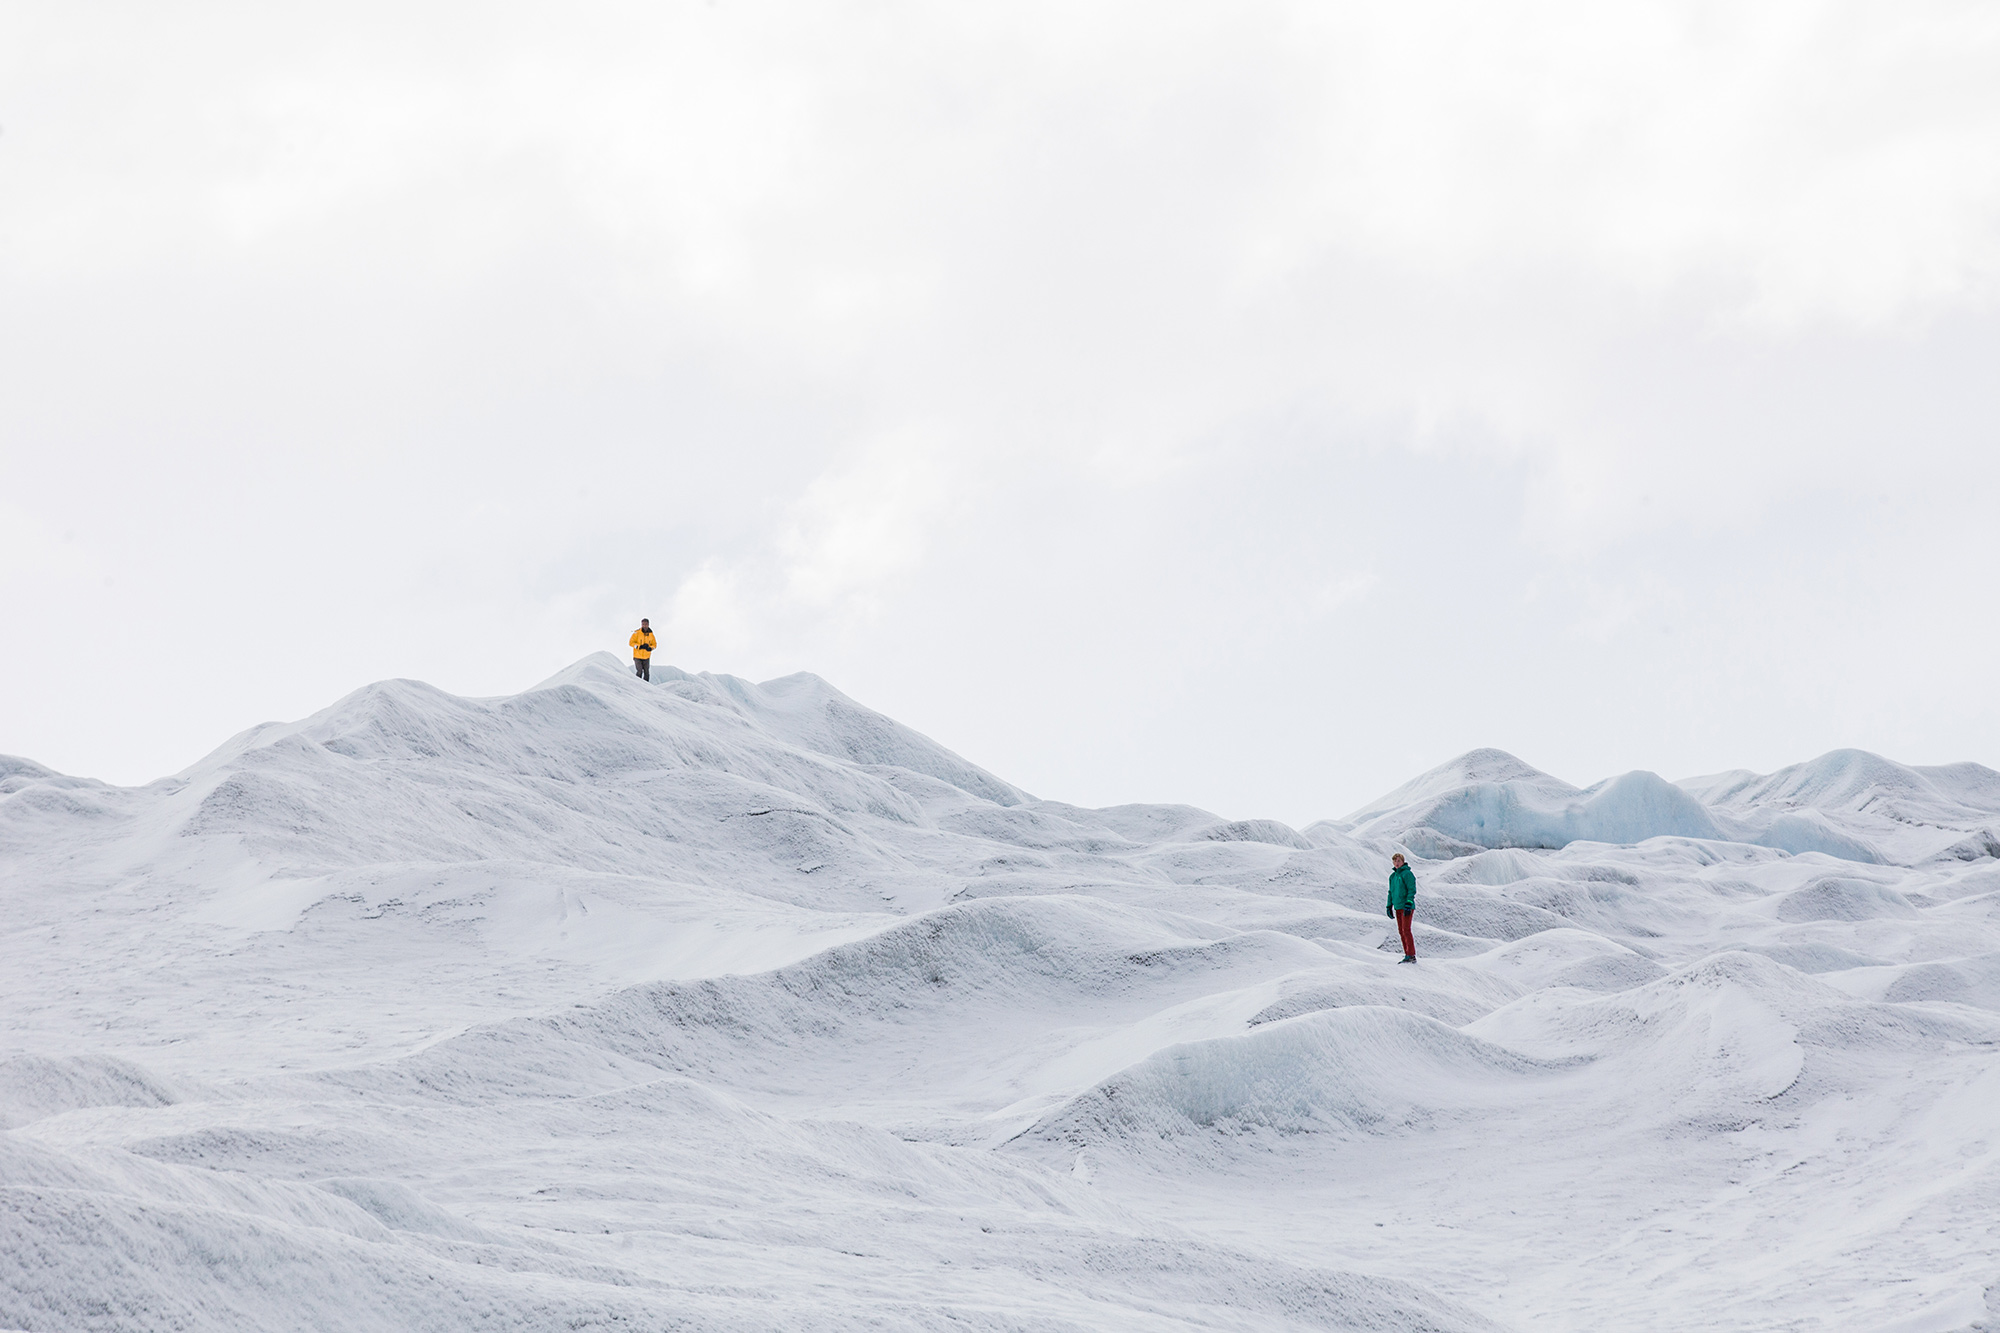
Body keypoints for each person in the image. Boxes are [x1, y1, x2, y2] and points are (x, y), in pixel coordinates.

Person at [1386, 852, 1417, 963]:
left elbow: (1411, 889)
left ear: (1403, 862)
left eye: (1398, 861)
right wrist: (1389, 905)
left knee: (1406, 930)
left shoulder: (1407, 874)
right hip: (1398, 906)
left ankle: (1411, 955)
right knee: (1401, 931)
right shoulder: (1392, 877)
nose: (1396, 863)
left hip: (1406, 906)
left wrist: (1409, 902)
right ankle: (1407, 954)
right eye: (1395, 861)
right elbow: (1391, 892)